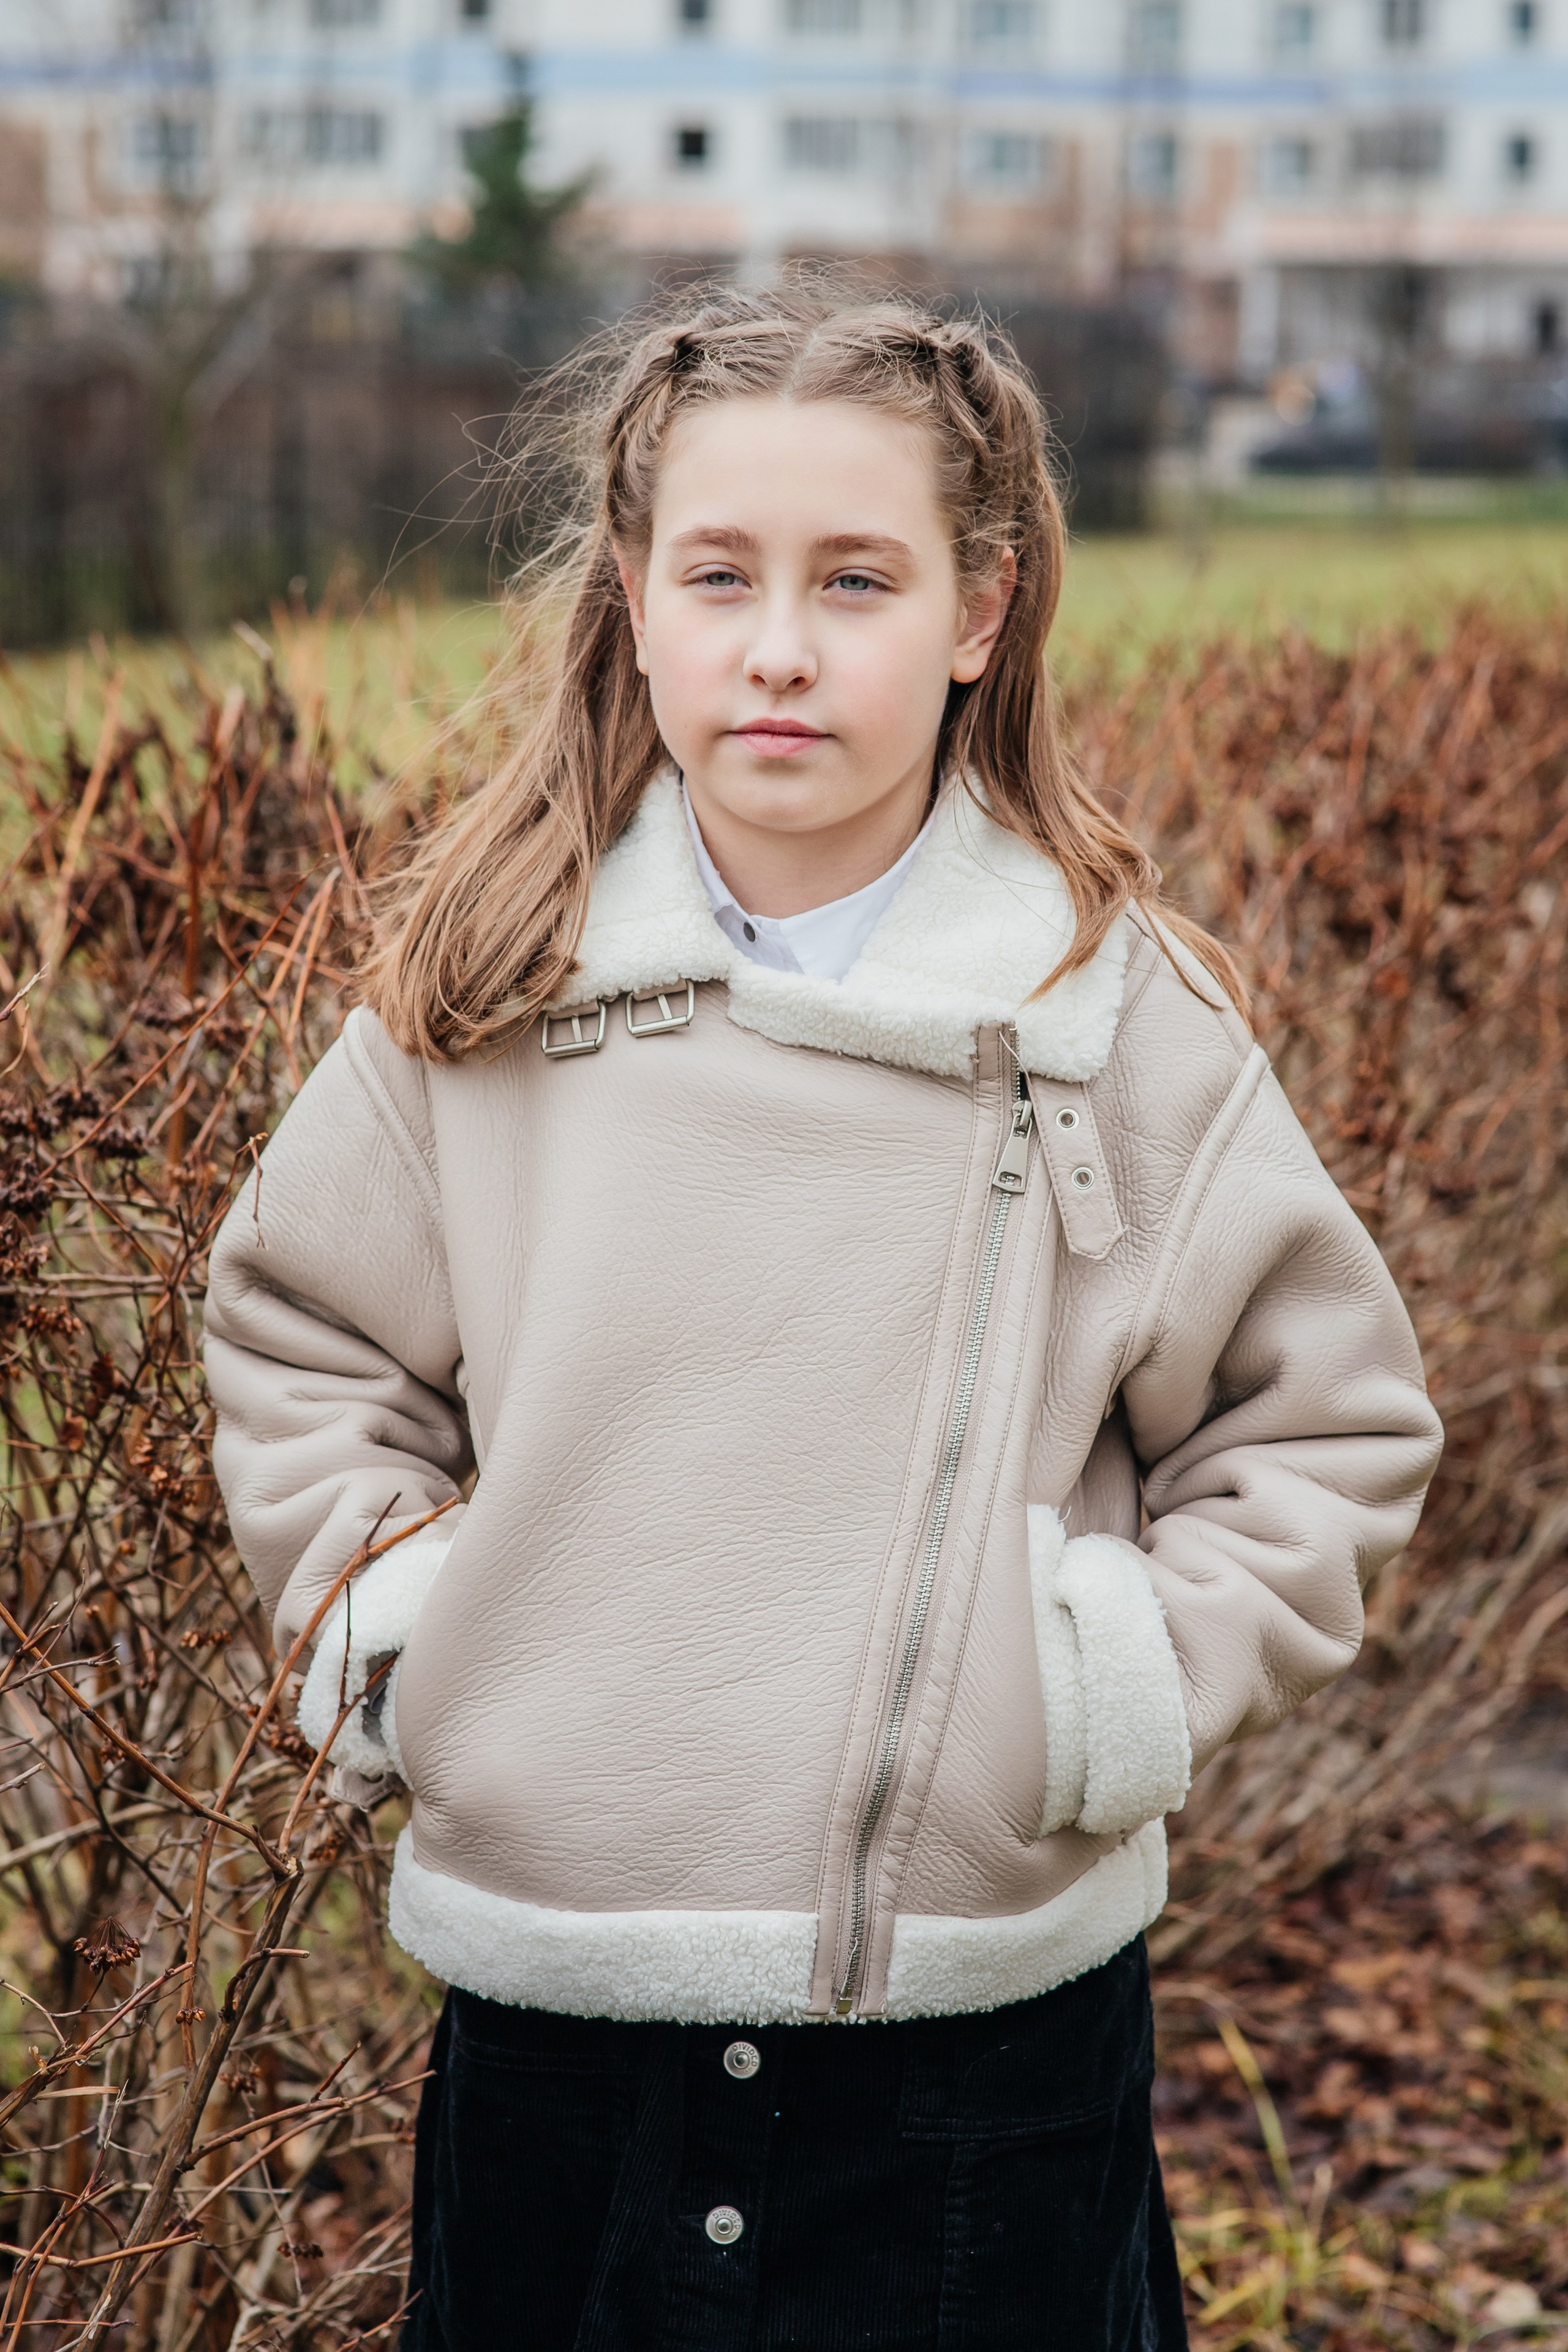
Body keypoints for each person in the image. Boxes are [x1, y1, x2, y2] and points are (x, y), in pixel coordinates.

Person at [203, 282, 1442, 2351]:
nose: (779, 644)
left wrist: (1105, 1687)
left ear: (981, 611)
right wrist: (402, 1637)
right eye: (721, 575)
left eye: (855, 579)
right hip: (558, 2022)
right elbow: (302, 1334)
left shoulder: (1109, 1021)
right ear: (633, 599)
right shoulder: (488, 990)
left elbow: (1321, 1427)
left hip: (976, 2045)